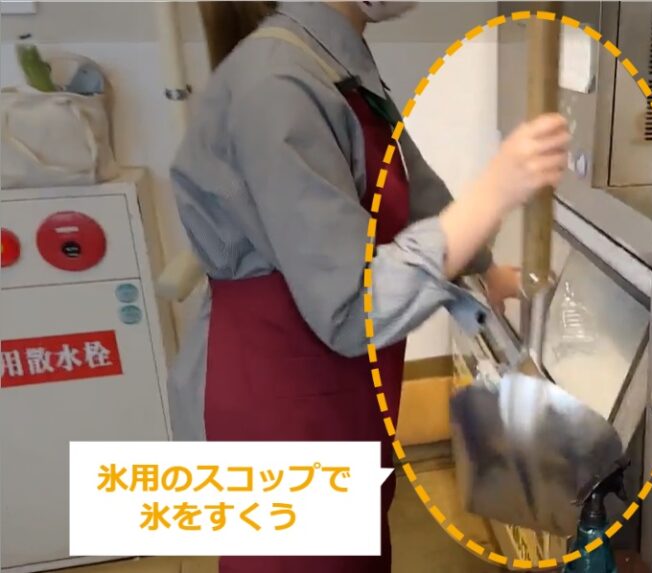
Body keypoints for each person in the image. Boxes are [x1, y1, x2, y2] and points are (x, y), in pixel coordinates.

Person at [166, 2, 570, 572]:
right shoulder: (275, 82)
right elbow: (350, 305)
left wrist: (483, 271)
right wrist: (494, 192)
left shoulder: (333, 63)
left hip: (339, 384)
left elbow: (411, 187)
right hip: (280, 393)